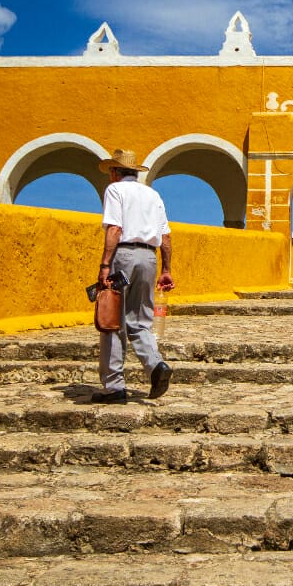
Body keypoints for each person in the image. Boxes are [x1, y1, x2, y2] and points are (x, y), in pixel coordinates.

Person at [92, 148, 175, 404]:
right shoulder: (153, 194)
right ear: (135, 172)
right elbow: (166, 237)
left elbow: (115, 228)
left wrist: (105, 264)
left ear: (115, 172)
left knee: (113, 317)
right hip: (149, 258)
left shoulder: (115, 190)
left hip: (124, 255)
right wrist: (166, 269)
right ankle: (156, 365)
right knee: (140, 320)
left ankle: (114, 385)